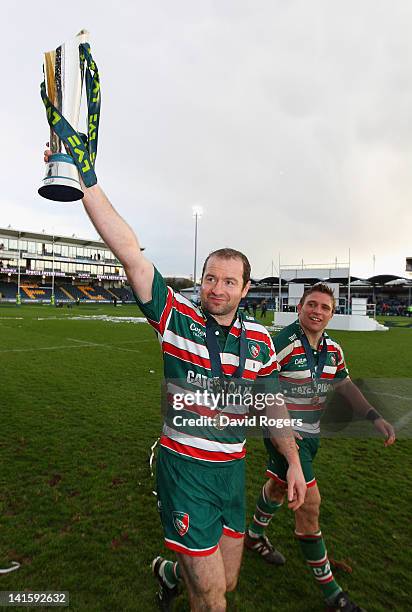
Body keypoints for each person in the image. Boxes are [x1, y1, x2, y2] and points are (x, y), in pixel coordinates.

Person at [44, 149, 306, 612]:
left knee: (226, 583)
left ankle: (167, 572)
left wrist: (293, 461)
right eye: (210, 278)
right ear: (202, 281)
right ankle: (182, 576)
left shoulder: (261, 341)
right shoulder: (177, 318)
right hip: (184, 471)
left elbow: (272, 405)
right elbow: (130, 252)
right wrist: (85, 178)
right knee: (211, 598)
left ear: (246, 289)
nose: (216, 288)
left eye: (228, 281)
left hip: (231, 474)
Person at [245, 283, 396, 612]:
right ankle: (333, 595)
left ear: (332, 313)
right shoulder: (280, 343)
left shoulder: (334, 350)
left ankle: (254, 535)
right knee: (310, 506)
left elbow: (344, 385)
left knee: (277, 487)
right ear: (299, 307)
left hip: (311, 435)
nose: (317, 311)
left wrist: (374, 417)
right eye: (311, 304)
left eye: (325, 307)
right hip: (286, 436)